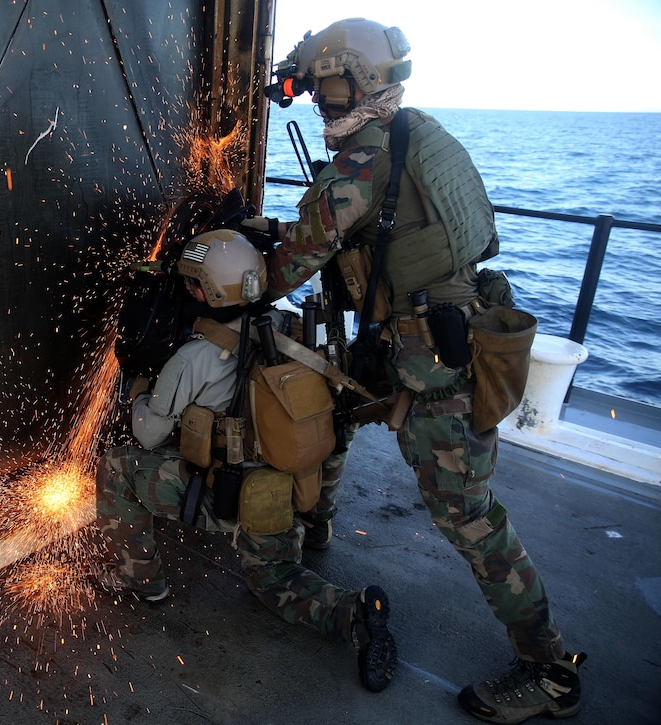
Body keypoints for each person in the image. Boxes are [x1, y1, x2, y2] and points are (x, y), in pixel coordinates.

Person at [247, 17, 586, 724]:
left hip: (432, 361)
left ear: (356, 81)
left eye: (325, 86)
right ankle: (320, 530)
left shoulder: (361, 164)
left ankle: (550, 666)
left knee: (467, 515)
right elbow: (344, 232)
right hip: (411, 340)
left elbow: (291, 265)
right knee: (333, 419)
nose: (317, 101)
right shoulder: (411, 134)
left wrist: (244, 255)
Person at [94, 228, 397, 692]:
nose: (190, 290)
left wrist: (138, 392)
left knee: (116, 465)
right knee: (280, 573)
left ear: (208, 290)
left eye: (194, 283)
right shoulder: (291, 331)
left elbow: (150, 434)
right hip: (296, 486)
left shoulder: (194, 357)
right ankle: (349, 606)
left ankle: (142, 578)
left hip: (238, 497)